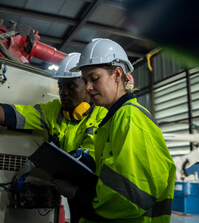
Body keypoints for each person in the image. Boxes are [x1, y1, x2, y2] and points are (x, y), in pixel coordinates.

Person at [56, 39, 176, 223]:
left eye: (94, 78)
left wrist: (79, 195)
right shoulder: (113, 120)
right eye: (85, 80)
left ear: (117, 74)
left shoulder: (129, 118)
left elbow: (130, 196)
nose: (88, 87)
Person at [0, 52, 108, 222]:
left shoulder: (103, 115)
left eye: (71, 86)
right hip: (73, 193)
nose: (63, 93)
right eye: (60, 87)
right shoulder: (54, 111)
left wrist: (41, 161)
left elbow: (89, 160)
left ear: (87, 86)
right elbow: (14, 115)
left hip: (101, 195)